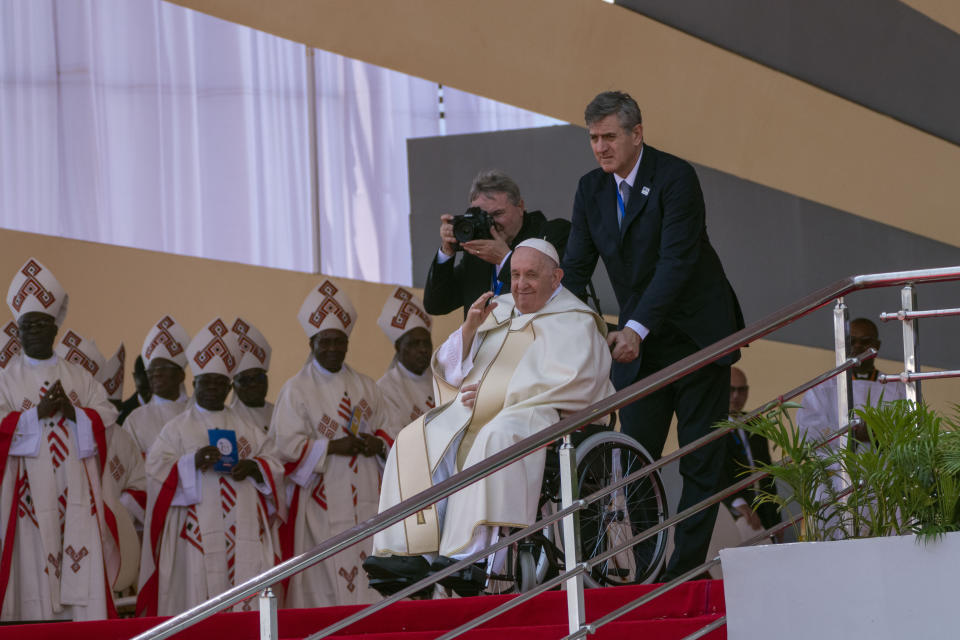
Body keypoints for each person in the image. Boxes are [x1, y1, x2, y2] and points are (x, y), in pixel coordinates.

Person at [561, 91, 744, 580]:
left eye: (609, 137)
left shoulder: (675, 176)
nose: (600, 148)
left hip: (695, 334)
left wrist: (635, 327)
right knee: (633, 459)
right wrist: (567, 326)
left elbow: (676, 262)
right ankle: (646, 570)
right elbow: (576, 267)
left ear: (636, 134)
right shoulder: (589, 189)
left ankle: (683, 571)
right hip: (640, 340)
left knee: (700, 460)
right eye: (593, 139)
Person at [366, 240, 614, 596]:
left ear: (556, 277)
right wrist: (469, 330)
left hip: (540, 414)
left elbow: (578, 380)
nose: (521, 283)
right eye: (515, 275)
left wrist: (498, 395)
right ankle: (407, 551)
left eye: (531, 275)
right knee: (416, 436)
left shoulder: (575, 321)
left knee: (494, 437)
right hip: (477, 410)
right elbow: (451, 370)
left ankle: (471, 555)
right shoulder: (499, 309)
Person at [0, 258, 121, 620]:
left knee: (78, 582)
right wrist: (34, 415)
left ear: (55, 328)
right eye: (27, 325)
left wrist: (75, 414)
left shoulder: (79, 377)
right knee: (31, 585)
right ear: (17, 331)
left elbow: (108, 414)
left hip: (75, 499)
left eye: (42, 324)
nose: (35, 330)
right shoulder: (6, 379)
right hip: (27, 504)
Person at [136, 318, 282, 616]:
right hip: (195, 537)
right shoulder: (176, 429)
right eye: (206, 383)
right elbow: (155, 470)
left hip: (243, 533)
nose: (213, 389)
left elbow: (274, 465)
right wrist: (191, 463)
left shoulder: (248, 428)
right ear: (193, 384)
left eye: (220, 383)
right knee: (199, 607)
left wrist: (253, 468)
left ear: (229, 386)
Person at [271, 279, 399, 607]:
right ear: (311, 342)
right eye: (325, 342)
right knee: (323, 587)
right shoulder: (296, 390)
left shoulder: (368, 387)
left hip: (366, 497)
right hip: (320, 505)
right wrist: (329, 447)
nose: (332, 349)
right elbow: (284, 447)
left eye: (339, 342)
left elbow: (390, 431)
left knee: (369, 585)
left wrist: (379, 444)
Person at [54, 331, 146, 592]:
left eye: (114, 404)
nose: (111, 412)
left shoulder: (124, 439)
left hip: (110, 533)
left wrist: (117, 512)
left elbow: (140, 487)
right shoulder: (55, 431)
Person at [423, 169, 571, 317]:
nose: (491, 224)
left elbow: (557, 294)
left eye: (497, 214)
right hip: (483, 338)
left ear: (520, 207)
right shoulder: (478, 252)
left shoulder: (552, 234)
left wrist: (505, 258)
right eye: (484, 217)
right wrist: (447, 252)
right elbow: (436, 305)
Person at [796, 318, 908, 448]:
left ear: (877, 346)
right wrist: (851, 435)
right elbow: (809, 431)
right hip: (835, 467)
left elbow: (908, 431)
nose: (858, 346)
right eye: (852, 341)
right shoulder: (821, 389)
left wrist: (879, 434)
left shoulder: (896, 388)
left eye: (865, 342)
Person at [722, 367, 781, 539]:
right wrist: (737, 502)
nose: (735, 396)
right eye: (731, 389)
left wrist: (777, 520)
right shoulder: (711, 426)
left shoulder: (755, 422)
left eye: (741, 390)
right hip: (731, 511)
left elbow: (768, 473)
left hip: (763, 510)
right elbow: (714, 472)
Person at [123, 317, 191, 456]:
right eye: (151, 370)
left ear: (181, 375)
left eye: (163, 367)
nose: (156, 374)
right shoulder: (135, 420)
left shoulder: (196, 413)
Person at [377, 287, 435, 426]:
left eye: (426, 343)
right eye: (414, 344)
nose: (423, 349)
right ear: (398, 348)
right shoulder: (386, 388)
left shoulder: (441, 379)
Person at [229, 317, 274, 434]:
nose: (253, 384)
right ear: (234, 387)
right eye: (244, 380)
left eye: (259, 377)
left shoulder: (280, 413)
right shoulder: (228, 420)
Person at [116, 355, 151, 425]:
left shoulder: (170, 407)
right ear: (135, 377)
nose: (151, 383)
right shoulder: (121, 415)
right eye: (145, 375)